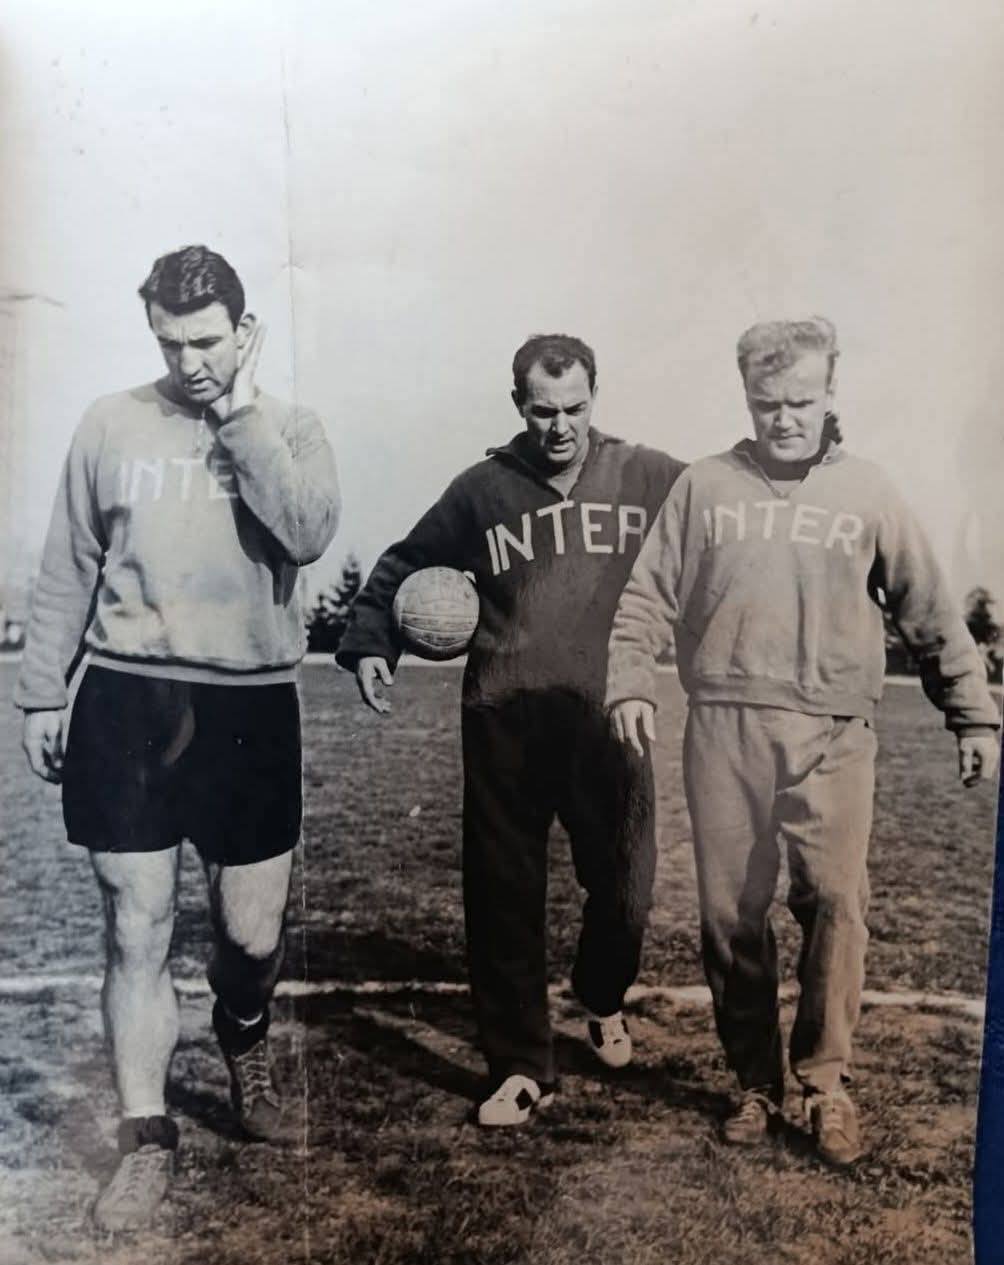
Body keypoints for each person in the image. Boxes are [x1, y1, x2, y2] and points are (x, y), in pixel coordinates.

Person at [606, 317, 999, 1166]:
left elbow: (930, 609)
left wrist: (972, 714)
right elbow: (645, 596)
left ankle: (824, 1083)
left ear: (830, 394)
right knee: (729, 914)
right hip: (724, 728)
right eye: (767, 403)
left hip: (834, 733)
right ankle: (755, 1081)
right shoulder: (705, 486)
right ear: (748, 399)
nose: (784, 418)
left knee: (834, 901)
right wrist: (630, 679)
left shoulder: (868, 490)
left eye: (801, 401)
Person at [15, 245, 340, 1229]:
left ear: (244, 331)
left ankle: (244, 1029)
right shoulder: (110, 423)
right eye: (170, 343)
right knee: (135, 921)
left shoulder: (291, 426)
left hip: (249, 704)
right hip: (128, 696)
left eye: (206, 342)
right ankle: (146, 1135)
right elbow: (69, 562)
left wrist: (239, 416)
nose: (189, 362)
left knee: (250, 934)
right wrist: (41, 692)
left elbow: (306, 533)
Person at [336, 334, 685, 1126]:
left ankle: (599, 992)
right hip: (505, 718)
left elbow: (716, 519)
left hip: (611, 717)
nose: (560, 426)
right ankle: (522, 1066)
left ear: (594, 397)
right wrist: (372, 642)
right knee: (503, 895)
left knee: (627, 889)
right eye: (543, 410)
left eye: (575, 409)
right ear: (518, 403)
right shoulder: (482, 489)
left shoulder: (645, 474)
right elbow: (403, 562)